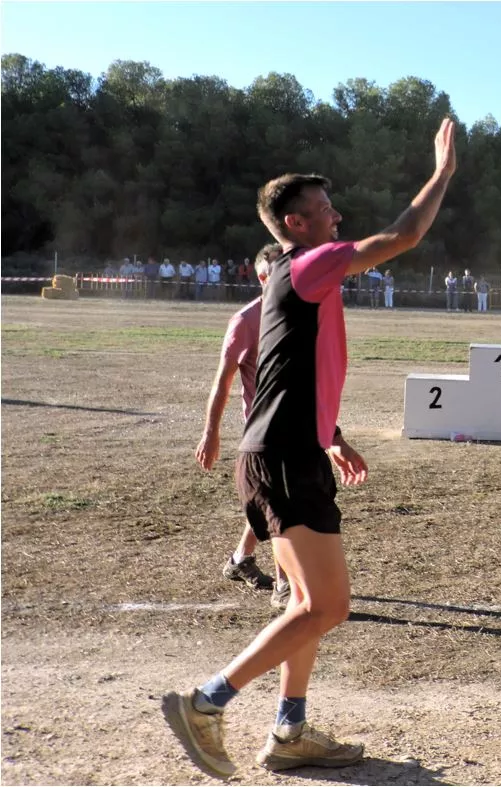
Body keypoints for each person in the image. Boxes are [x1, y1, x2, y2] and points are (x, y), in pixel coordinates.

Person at [161, 117, 457, 779]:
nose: (337, 216)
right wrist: (442, 175)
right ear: (296, 224)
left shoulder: (290, 284)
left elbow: (295, 376)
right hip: (287, 458)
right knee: (328, 606)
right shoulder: (310, 265)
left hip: (283, 451)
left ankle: (290, 728)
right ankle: (208, 702)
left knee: (306, 604)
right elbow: (403, 235)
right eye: (325, 210)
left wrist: (336, 436)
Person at [196, 244, 290, 608]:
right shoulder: (246, 321)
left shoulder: (296, 315)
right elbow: (223, 382)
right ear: (264, 277)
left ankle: (240, 560)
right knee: (280, 503)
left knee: (269, 500)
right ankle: (285, 586)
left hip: (294, 424)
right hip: (263, 431)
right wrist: (211, 432)